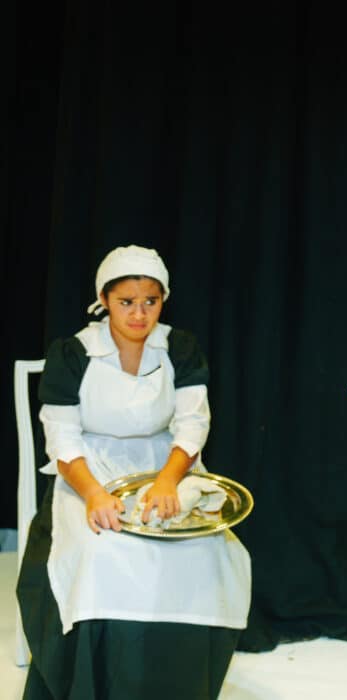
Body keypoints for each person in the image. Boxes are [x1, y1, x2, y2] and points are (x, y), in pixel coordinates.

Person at [16, 245, 252, 700]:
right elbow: (62, 437)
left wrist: (167, 480)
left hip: (167, 463)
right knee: (99, 553)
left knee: (209, 553)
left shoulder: (179, 348)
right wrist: (93, 495)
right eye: (127, 302)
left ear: (164, 300)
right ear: (104, 300)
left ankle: (176, 685)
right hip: (89, 469)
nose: (140, 314)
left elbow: (193, 423)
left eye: (151, 301)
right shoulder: (73, 354)